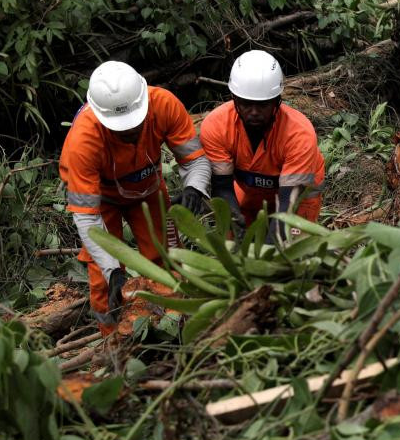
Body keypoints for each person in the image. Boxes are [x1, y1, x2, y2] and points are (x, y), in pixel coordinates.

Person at [60, 61, 210, 334]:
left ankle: (174, 325)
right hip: (101, 199)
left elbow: (195, 160)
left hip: (148, 187)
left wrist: (195, 188)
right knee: (103, 280)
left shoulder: (163, 104)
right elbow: (86, 218)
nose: (130, 132)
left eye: (135, 124)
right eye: (121, 129)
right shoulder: (83, 141)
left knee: (165, 257)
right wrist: (113, 271)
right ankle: (112, 340)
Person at [200, 50, 324, 240]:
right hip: (251, 191)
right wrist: (233, 217)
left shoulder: (299, 134)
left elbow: (288, 201)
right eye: (246, 104)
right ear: (234, 98)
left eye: (263, 105)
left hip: (297, 197)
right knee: (235, 243)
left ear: (276, 101)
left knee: (290, 252)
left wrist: (273, 241)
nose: (254, 112)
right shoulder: (216, 126)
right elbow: (222, 186)